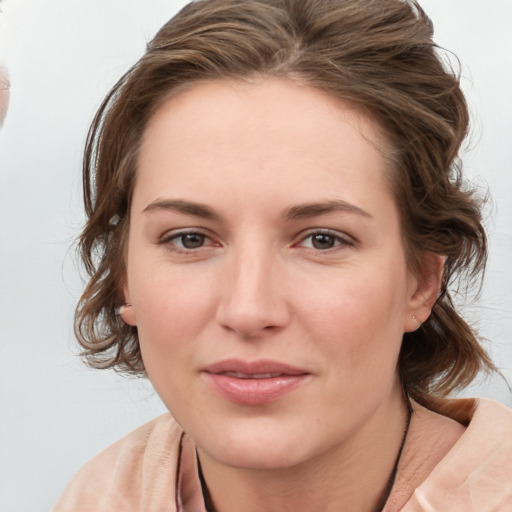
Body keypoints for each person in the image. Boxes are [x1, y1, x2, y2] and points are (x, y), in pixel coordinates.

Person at [54, 0, 512, 510]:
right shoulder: (96, 498)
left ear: (421, 280)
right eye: (190, 238)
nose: (249, 311)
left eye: (322, 239)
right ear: (124, 276)